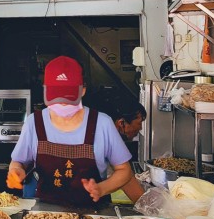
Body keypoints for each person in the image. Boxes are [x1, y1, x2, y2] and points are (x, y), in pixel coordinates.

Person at [7, 56, 133, 208]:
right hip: (44, 214)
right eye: (56, 94)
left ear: (83, 90)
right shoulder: (34, 122)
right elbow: (18, 162)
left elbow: (124, 170)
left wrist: (102, 188)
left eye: (67, 95)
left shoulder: (102, 123)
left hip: (92, 214)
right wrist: (16, 171)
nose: (61, 102)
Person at [91, 86, 148, 203]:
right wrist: (150, 209)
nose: (140, 128)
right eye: (139, 123)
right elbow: (126, 178)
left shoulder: (97, 128)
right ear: (121, 123)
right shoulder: (106, 134)